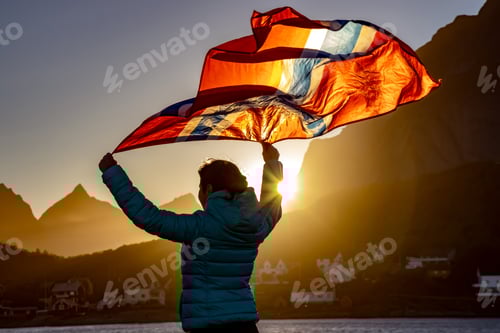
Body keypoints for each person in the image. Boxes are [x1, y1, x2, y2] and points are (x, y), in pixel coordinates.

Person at [98, 143, 283, 332]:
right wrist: (272, 162)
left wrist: (112, 172)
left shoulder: (200, 227)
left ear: (209, 189)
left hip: (209, 327)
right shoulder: (257, 224)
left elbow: (149, 217)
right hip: (246, 326)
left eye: (200, 187)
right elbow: (272, 202)